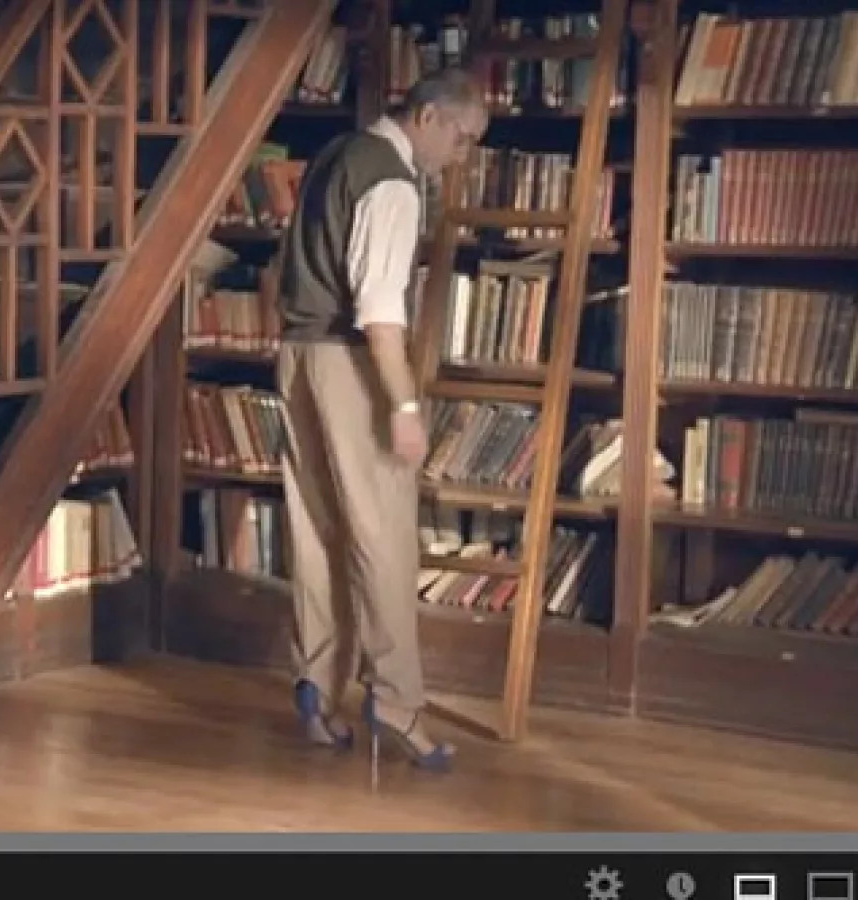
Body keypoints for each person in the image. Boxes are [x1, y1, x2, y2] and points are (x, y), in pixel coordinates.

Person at [274, 68, 486, 772]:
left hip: (296, 354)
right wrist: (403, 404)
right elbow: (380, 313)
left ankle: (317, 685)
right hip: (350, 362)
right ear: (426, 116)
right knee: (383, 537)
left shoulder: (335, 155)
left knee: (315, 530)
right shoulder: (392, 182)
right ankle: (397, 703)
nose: (461, 154)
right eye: (461, 137)